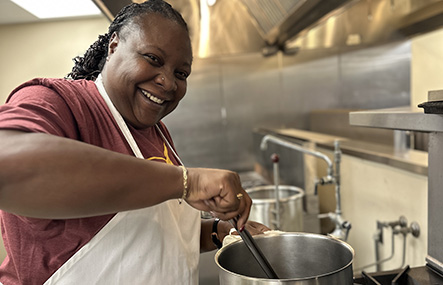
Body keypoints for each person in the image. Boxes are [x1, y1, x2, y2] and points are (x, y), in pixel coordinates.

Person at [0, 0, 269, 284]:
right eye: (153, 58)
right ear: (114, 45)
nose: (168, 82)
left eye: (181, 73)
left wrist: (218, 231)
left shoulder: (158, 133)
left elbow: (155, 237)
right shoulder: (60, 102)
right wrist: (190, 182)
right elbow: (8, 168)